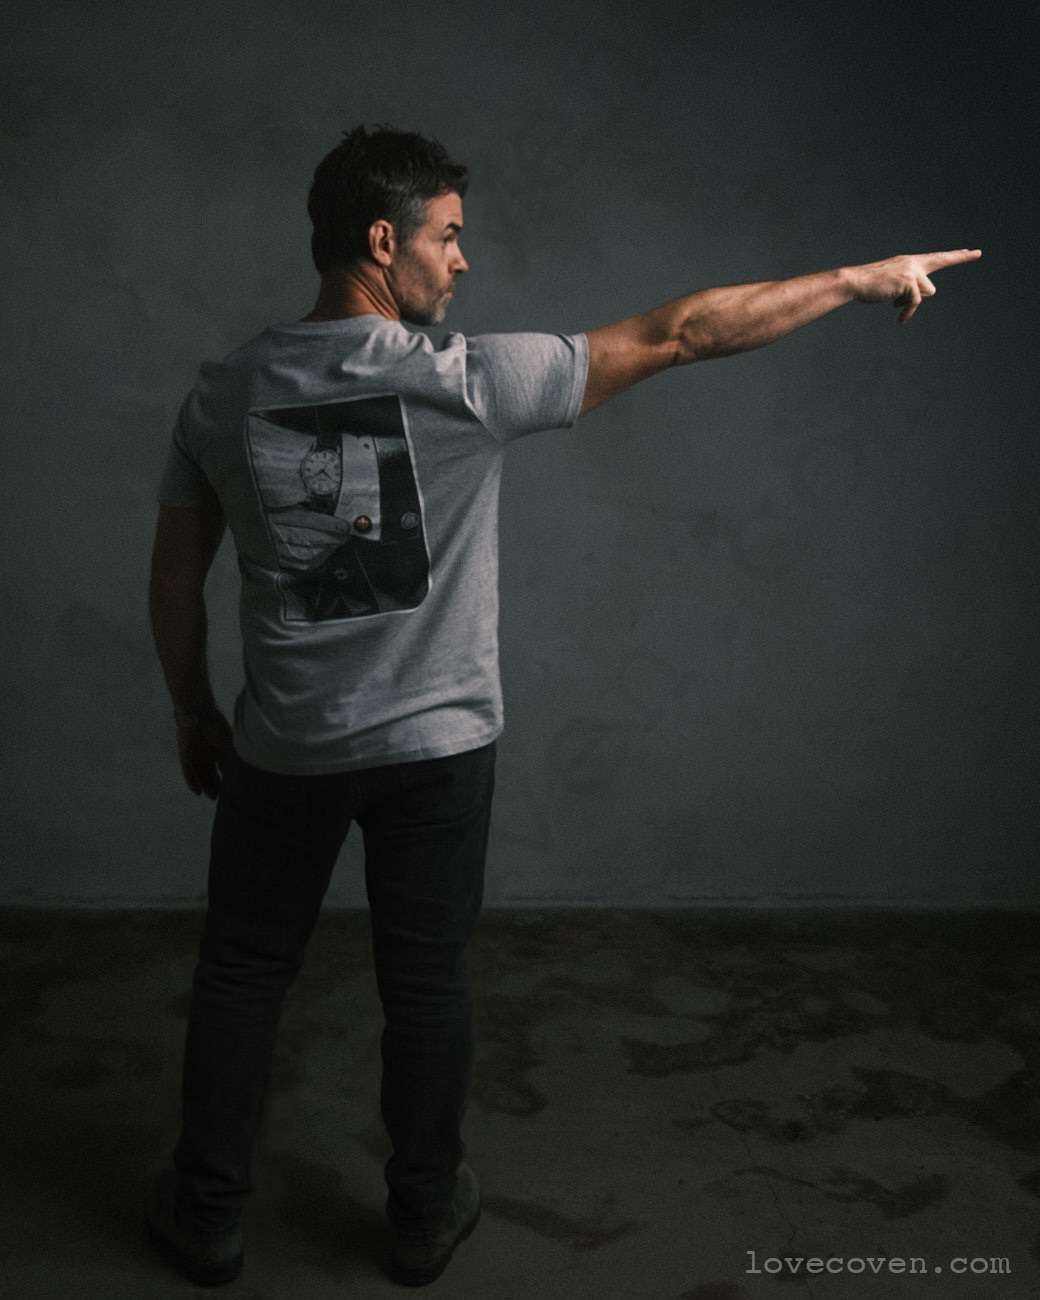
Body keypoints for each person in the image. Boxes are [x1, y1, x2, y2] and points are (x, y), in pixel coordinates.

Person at [147, 124, 979, 1287]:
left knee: (243, 971)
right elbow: (681, 333)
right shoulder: (466, 382)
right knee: (425, 982)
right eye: (448, 238)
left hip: (285, 747)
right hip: (436, 748)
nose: (462, 261)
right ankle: (421, 1215)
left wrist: (194, 711)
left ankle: (207, 1215)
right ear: (382, 242)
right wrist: (854, 279)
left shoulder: (222, 392)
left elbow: (173, 578)